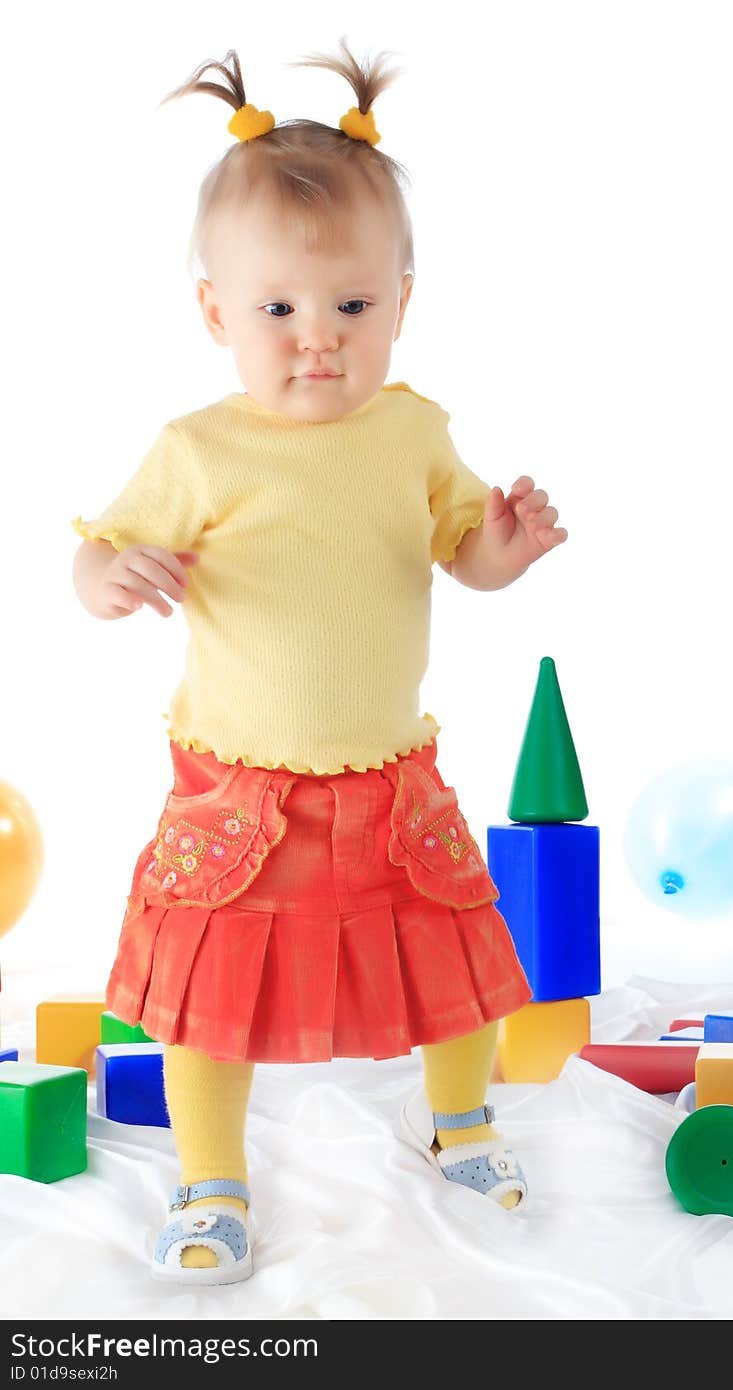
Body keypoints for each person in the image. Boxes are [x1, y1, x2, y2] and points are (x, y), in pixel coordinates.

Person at [71, 40, 568, 1286]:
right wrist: (111, 578)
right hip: (240, 789)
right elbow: (101, 551)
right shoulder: (201, 449)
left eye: (351, 307)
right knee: (210, 992)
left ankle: (455, 1117)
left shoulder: (413, 431)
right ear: (214, 314)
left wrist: (502, 547)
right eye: (278, 311)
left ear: (403, 298)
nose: (316, 342)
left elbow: (460, 549)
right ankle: (213, 1176)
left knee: (452, 952)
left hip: (390, 777)